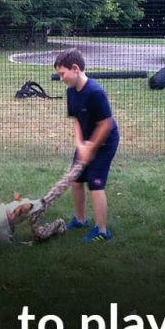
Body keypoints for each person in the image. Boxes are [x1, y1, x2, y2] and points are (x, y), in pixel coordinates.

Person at [54, 49, 119, 243]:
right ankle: (81, 220)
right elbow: (75, 120)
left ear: (75, 69)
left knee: (95, 182)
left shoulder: (95, 92)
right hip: (86, 140)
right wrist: (80, 145)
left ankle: (102, 231)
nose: (60, 78)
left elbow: (106, 124)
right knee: (76, 179)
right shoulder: (71, 91)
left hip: (105, 141)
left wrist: (91, 148)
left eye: (62, 73)